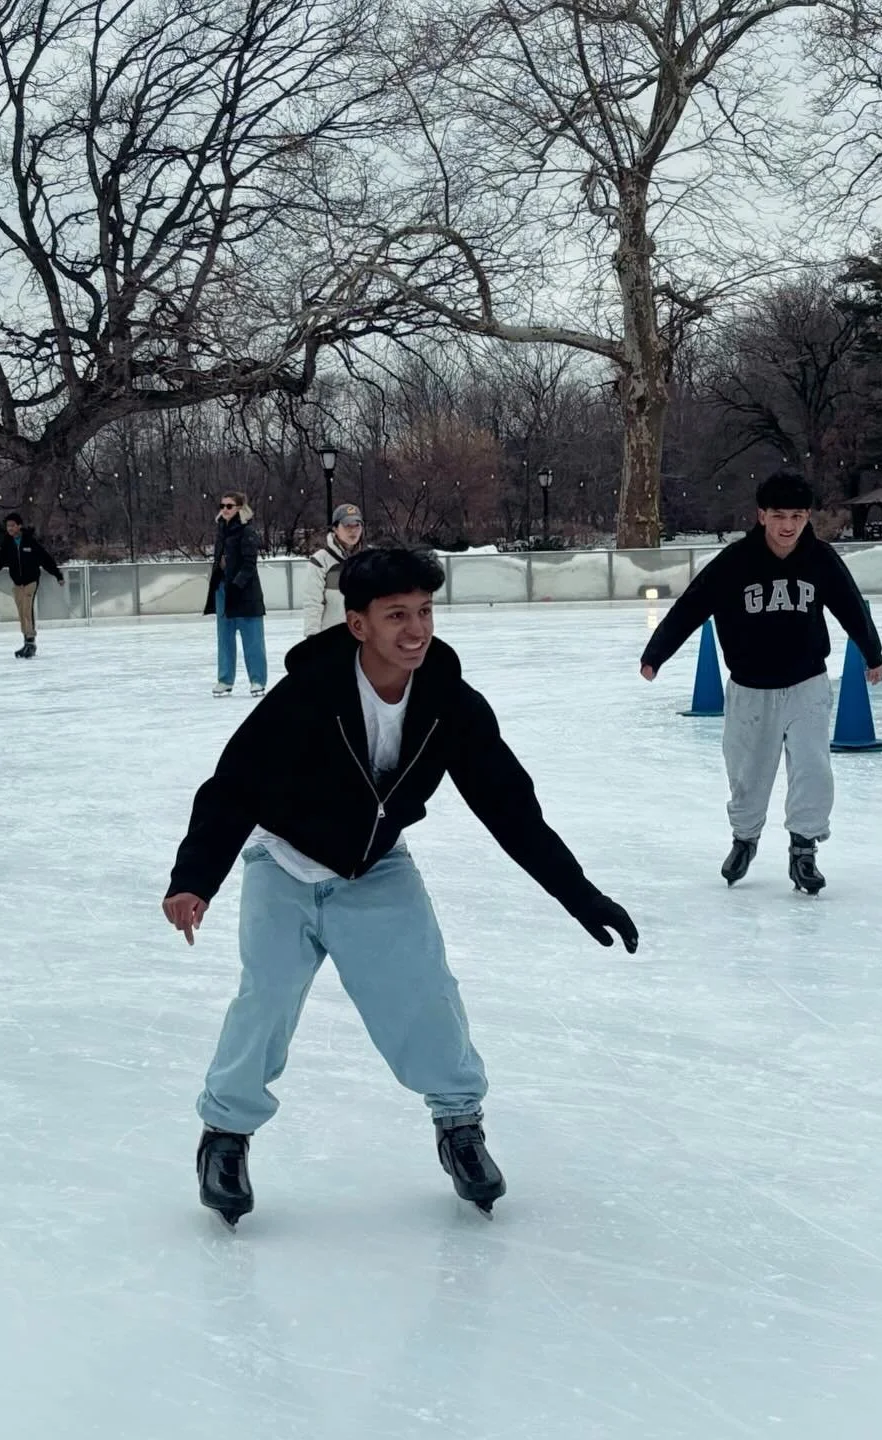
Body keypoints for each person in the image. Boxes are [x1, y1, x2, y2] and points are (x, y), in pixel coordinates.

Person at [163, 546, 638, 1226]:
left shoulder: (449, 702)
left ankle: (460, 1128)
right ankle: (226, 1139)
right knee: (265, 1001)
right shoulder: (309, 694)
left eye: (423, 612)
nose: (415, 631)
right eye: (395, 616)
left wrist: (580, 894)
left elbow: (510, 807)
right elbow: (233, 787)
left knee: (424, 994)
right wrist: (195, 879)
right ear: (357, 624)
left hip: (374, 869)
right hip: (286, 862)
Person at [639, 470, 882, 894]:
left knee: (812, 768)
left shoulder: (820, 559)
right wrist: (656, 655)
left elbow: (849, 603)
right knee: (748, 771)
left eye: (796, 515)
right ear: (761, 515)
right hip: (750, 689)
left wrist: (872, 652)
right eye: (778, 515)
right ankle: (745, 839)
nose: (787, 525)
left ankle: (804, 849)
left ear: (808, 516)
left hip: (807, 683)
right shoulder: (736, 562)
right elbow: (691, 606)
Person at [205, 491, 267, 697]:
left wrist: (237, 584)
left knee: (252, 639)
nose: (224, 509)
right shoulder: (221, 529)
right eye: (222, 505)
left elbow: (250, 563)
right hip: (223, 590)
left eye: (229, 506)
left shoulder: (246, 531)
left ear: (240, 508)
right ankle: (225, 679)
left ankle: (257, 680)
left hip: (245, 593)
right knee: (225, 638)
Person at [0, 512, 63, 658]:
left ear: (19, 526)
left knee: (27, 609)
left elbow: (45, 559)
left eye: (13, 525)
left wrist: (58, 575)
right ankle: (26, 641)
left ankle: (31, 642)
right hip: (17, 583)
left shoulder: (30, 542)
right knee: (21, 612)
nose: (10, 528)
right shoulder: (7, 543)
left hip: (31, 581)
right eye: (8, 526)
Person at [300, 503, 365, 637]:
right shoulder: (320, 560)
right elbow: (313, 602)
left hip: (364, 638)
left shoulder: (370, 559)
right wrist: (312, 635)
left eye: (357, 525)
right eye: (347, 525)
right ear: (335, 528)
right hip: (332, 637)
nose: (353, 530)